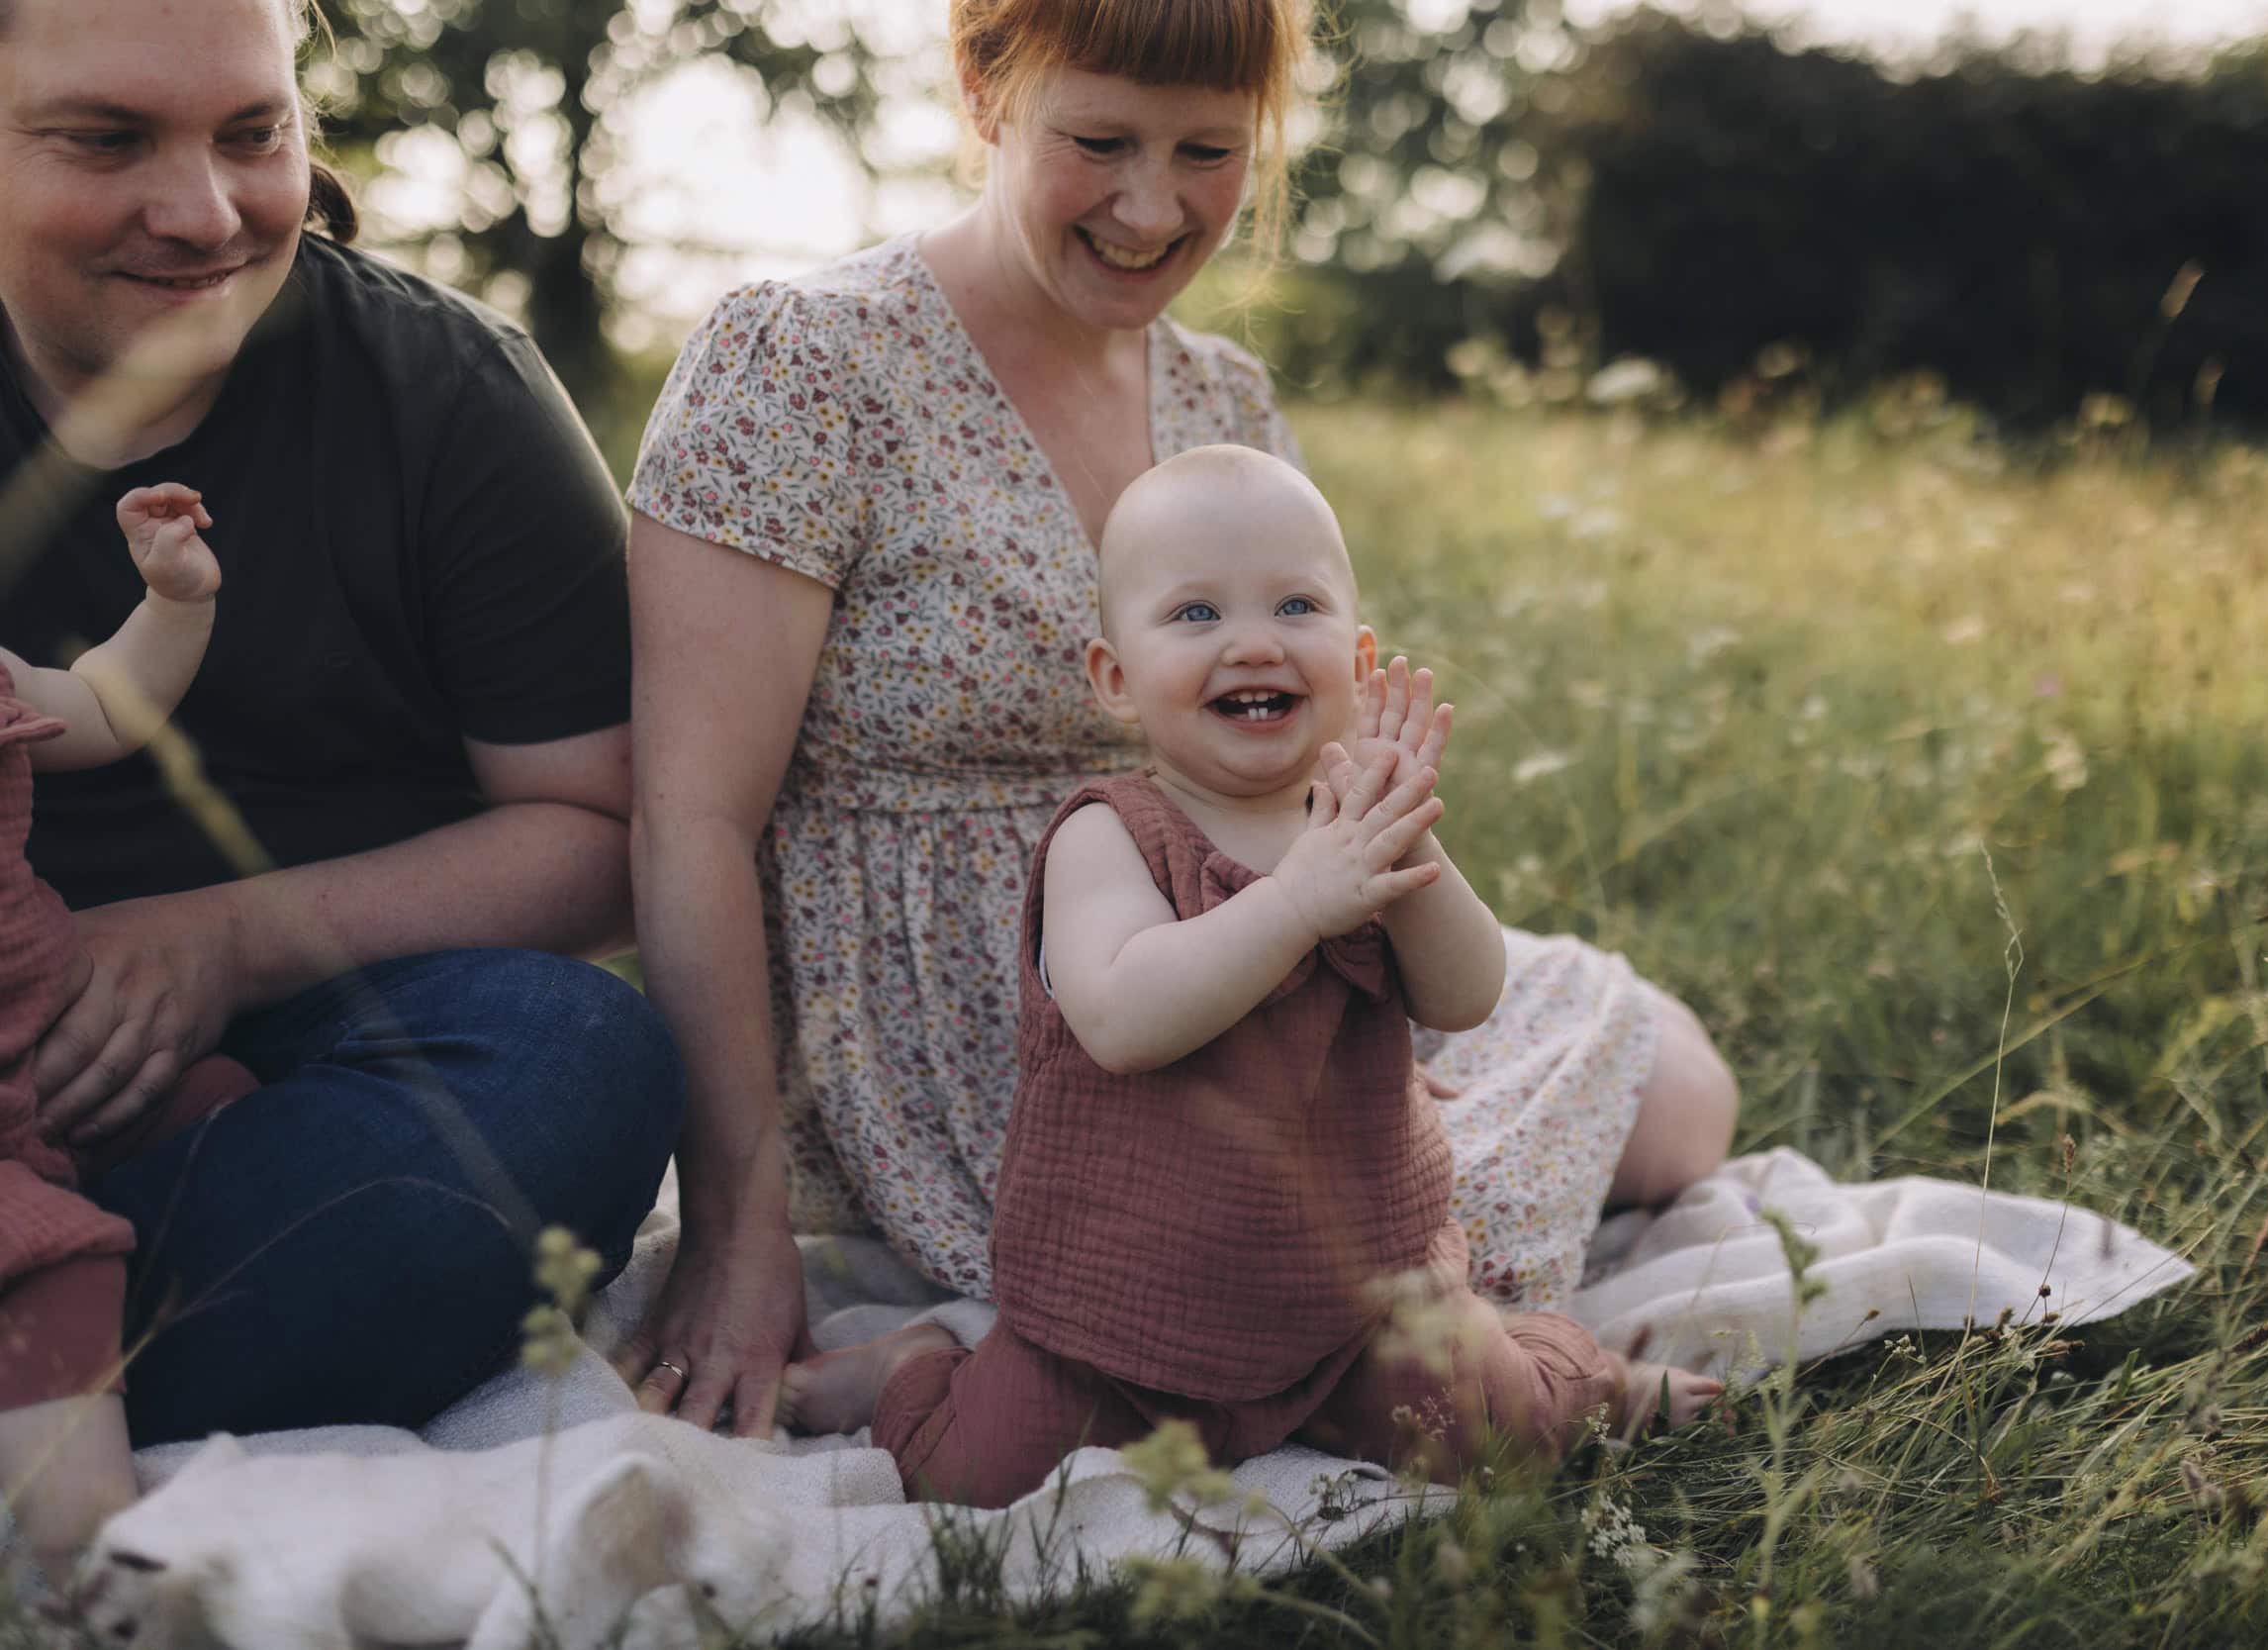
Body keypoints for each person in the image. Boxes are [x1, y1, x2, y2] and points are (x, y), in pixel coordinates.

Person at [624, 0, 1738, 1440]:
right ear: (982, 88)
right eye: (1100, 142)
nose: (1154, 208)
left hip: (1273, 946)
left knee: (1676, 1082)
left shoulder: (1222, 394)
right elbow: (690, 814)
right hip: (998, 1039)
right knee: (1515, 1163)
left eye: (1209, 151)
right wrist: (736, 1222)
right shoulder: (804, 364)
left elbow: (1292, 722)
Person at [0, 0, 681, 1558]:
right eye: (108, 140)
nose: (207, 210)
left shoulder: (448, 395)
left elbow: (603, 829)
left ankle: (51, 1352)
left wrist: (215, 935)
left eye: (256, 134)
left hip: (316, 1046)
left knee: (577, 1060)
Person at [797, 446, 1720, 1504]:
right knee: (970, 1474)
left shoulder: (1358, 825)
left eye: (1295, 604)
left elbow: (1465, 995)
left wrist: (1407, 843)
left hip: (1364, 1304)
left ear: (1358, 655)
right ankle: (914, 1362)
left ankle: (1586, 1375)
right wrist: (1295, 901)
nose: (1251, 640)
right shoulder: (1109, 835)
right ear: (1114, 677)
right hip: (1115, 1319)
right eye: (1194, 614)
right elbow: (1123, 1016)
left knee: (1488, 1432)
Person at [0, 483, 252, 1581]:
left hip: (50, 1062)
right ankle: (83, 1558)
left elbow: (104, 702)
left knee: (223, 1101)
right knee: (49, 1259)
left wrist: (172, 602)